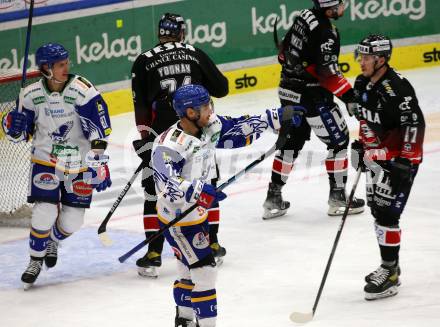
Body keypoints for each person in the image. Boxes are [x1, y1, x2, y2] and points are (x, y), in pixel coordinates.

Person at [152, 84, 305, 327]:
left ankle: (184, 319)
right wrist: (201, 191)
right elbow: (166, 185)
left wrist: (274, 117)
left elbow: (237, 129)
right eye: (205, 106)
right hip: (178, 219)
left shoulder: (208, 127)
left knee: (186, 269)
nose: (210, 110)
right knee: (204, 272)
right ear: (190, 113)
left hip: (195, 215)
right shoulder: (169, 145)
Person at [2, 43, 112, 289]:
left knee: (73, 221)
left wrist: (98, 162)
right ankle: (34, 259)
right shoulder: (29, 95)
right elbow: (18, 136)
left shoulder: (83, 90)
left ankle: (53, 240)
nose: (66, 67)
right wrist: (12, 125)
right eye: (60, 64)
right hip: (45, 160)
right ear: (46, 68)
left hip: (78, 162)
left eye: (66, 62)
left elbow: (99, 129)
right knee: (45, 212)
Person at [131, 13, 229, 277]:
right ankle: (212, 242)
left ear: (160, 32)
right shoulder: (194, 53)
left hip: (163, 137)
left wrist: (145, 140)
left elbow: (140, 105)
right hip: (195, 130)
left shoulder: (144, 60)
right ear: (181, 32)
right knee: (206, 183)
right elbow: (222, 88)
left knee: (156, 189)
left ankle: (153, 254)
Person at [262, 0, 365, 219]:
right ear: (330, 9)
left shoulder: (303, 15)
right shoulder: (327, 31)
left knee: (291, 144)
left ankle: (273, 198)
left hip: (288, 92)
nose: (344, 6)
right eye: (341, 4)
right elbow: (327, 73)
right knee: (338, 143)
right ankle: (338, 198)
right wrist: (349, 96)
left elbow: (283, 54)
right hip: (313, 99)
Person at [350, 34, 425, 300]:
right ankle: (390, 264)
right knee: (378, 210)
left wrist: (405, 159)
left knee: (387, 214)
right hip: (378, 156)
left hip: (399, 160)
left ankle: (390, 270)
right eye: (361, 56)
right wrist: (363, 144)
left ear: (381, 60)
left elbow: (414, 124)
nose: (362, 61)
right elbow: (366, 119)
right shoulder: (362, 83)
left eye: (367, 57)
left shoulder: (397, 87)